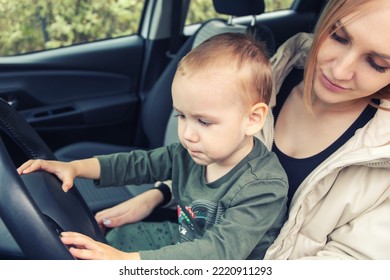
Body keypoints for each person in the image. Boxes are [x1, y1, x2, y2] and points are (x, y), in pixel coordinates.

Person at [85, 0, 390, 260]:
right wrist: (162, 193)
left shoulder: (383, 156)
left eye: (377, 63)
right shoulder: (270, 75)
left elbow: (353, 263)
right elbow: (214, 162)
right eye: (338, 36)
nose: (339, 71)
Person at [17, 32, 288, 260]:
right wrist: (75, 168)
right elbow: (139, 163)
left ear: (252, 119)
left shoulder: (263, 185)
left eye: (204, 122)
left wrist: (126, 261)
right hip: (184, 240)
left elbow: (219, 251)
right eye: (181, 116)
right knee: (118, 235)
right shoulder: (190, 155)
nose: (187, 134)